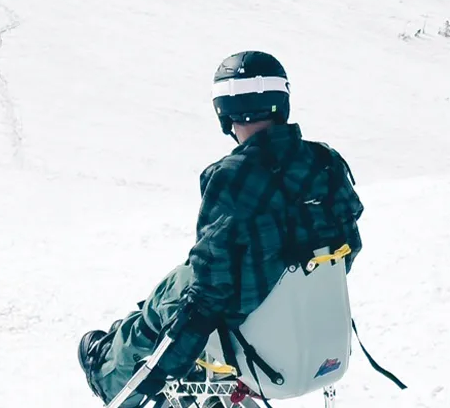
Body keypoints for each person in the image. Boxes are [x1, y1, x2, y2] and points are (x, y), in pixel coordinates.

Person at [77, 51, 366, 407]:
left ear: (224, 112)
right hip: (324, 344)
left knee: (178, 289)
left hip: (264, 357)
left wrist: (166, 363)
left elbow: (209, 284)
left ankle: (108, 368)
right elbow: (348, 246)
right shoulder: (326, 163)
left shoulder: (233, 177)